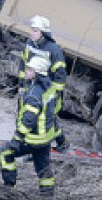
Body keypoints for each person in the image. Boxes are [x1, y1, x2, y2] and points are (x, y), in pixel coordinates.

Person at [0, 56, 59, 196]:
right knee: (43, 168)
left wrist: (16, 139)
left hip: (33, 139)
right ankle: (48, 197)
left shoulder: (33, 94)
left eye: (30, 69)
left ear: (37, 73)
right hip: (45, 139)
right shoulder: (49, 88)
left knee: (4, 153)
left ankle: (9, 190)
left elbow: (28, 121)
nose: (26, 71)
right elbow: (52, 114)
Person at [18, 14, 69, 152]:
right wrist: (22, 85)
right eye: (31, 29)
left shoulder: (53, 49)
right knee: (31, 116)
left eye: (35, 30)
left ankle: (62, 144)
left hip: (48, 88)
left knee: (49, 118)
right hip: (33, 85)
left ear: (43, 33)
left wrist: (56, 93)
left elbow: (60, 73)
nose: (31, 33)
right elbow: (23, 64)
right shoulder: (29, 45)